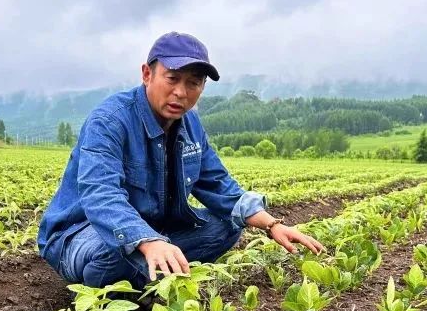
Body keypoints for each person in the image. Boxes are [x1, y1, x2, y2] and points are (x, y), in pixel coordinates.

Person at [37, 31, 324, 289]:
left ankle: (149, 274)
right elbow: (101, 194)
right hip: (81, 234)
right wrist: (148, 241)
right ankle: (138, 275)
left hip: (153, 229)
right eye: (172, 78)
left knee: (228, 226)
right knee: (113, 252)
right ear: (147, 74)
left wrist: (273, 225)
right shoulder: (110, 121)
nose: (181, 92)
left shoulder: (190, 124)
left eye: (193, 83)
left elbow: (219, 185)